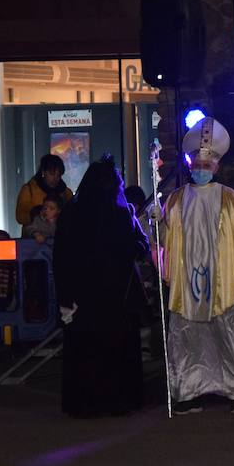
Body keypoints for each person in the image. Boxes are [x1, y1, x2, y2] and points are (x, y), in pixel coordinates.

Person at [160, 117, 234, 414]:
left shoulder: (229, 199)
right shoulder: (176, 199)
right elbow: (166, 238)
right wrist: (157, 222)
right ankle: (189, 392)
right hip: (187, 278)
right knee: (187, 338)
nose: (201, 170)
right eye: (197, 166)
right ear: (191, 166)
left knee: (227, 335)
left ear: (215, 167)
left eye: (207, 166)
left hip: (222, 278)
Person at [52, 156, 150, 418]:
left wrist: (65, 294)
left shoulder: (72, 212)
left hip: (82, 295)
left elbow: (61, 257)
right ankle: (117, 399)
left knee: (84, 348)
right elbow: (135, 248)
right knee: (114, 348)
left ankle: (83, 402)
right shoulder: (118, 213)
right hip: (115, 296)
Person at [15, 154, 74, 228]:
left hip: (60, 236)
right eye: (52, 174)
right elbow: (20, 217)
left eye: (58, 175)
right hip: (34, 237)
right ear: (43, 171)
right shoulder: (29, 190)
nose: (55, 178)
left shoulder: (66, 193)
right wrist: (35, 214)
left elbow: (73, 216)